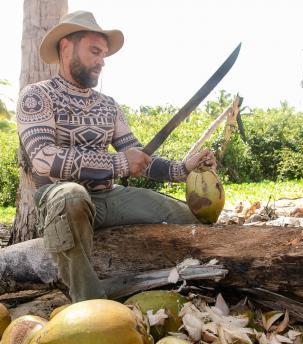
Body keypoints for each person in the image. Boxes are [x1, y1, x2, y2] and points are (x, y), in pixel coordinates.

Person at [16, 10, 216, 302]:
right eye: (94, 51)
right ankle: (89, 302)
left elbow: (138, 158)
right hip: (60, 200)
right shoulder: (36, 96)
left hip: (108, 197)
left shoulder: (108, 106)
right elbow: (44, 158)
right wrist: (119, 163)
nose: (101, 61)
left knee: (188, 217)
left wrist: (184, 168)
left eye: (104, 55)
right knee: (71, 195)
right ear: (66, 47)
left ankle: (210, 273)